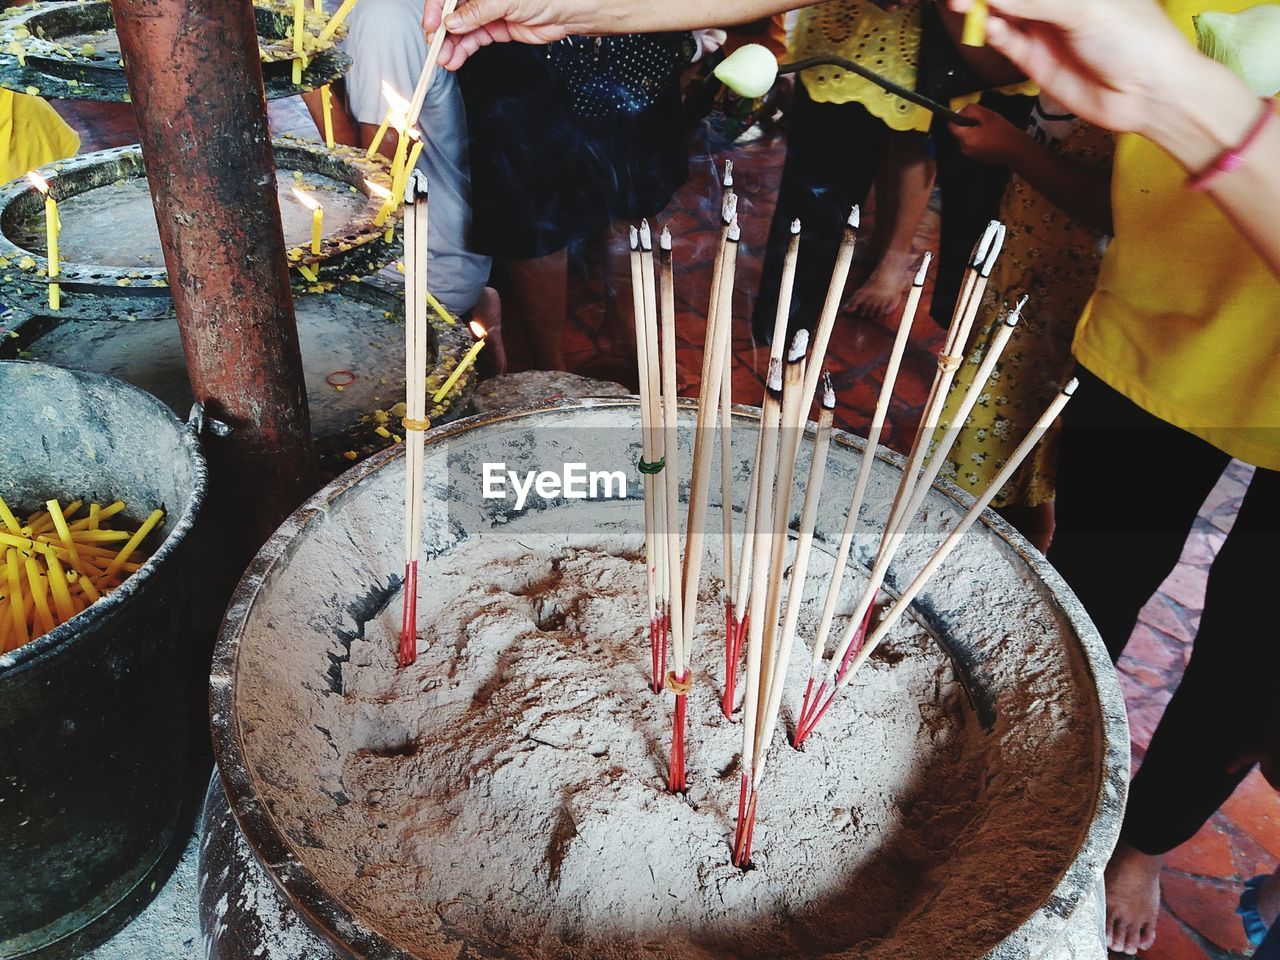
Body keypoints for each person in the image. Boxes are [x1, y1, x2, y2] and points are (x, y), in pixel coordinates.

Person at [937, 96, 1113, 552]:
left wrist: (1016, 150)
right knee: (998, 449)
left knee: (1022, 454)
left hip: (1066, 308)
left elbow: (1116, 208)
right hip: (1014, 274)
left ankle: (1001, 559)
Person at [455, 33, 690, 372]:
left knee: (636, 185)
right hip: (519, 38)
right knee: (533, 205)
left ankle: (628, 329)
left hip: (630, 32)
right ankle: (551, 368)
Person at [750, 0, 937, 343]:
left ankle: (893, 252)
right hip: (839, 30)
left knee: (913, 134)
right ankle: (783, 324)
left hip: (922, 30)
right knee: (817, 186)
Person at [342, 0, 501, 336]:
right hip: (452, 247)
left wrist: (303, 73)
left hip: (417, 268)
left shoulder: (386, 17)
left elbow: (375, 179)